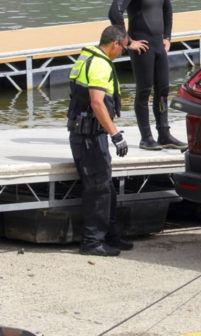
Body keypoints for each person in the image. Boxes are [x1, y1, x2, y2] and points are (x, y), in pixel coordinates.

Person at [108, 0, 186, 151]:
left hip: (159, 46)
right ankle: (146, 137)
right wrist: (128, 42)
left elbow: (167, 9)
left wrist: (168, 36)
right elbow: (115, 11)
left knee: (162, 91)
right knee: (144, 91)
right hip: (141, 47)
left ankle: (164, 134)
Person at [67, 25, 134, 256]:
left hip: (88, 134)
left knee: (106, 187)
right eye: (124, 48)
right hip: (89, 137)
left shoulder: (87, 56)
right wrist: (116, 134)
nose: (123, 52)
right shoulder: (99, 64)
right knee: (98, 189)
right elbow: (96, 102)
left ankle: (110, 235)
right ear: (115, 43)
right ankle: (92, 242)